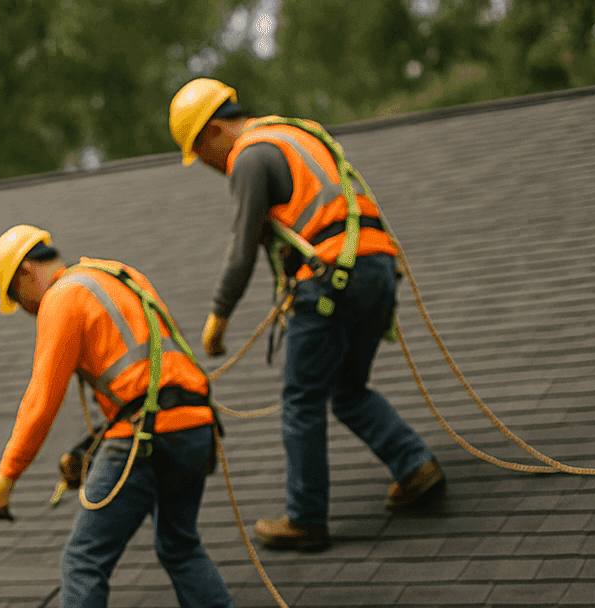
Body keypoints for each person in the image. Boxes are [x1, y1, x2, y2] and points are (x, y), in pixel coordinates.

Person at [0, 225, 256, 608]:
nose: (28, 312)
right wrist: (88, 450)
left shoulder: (61, 297)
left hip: (145, 435)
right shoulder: (118, 275)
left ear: (27, 274)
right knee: (179, 544)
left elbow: (42, 397)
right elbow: (150, 377)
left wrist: (6, 474)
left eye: (20, 299)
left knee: (83, 562)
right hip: (194, 427)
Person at [170, 78, 443, 552]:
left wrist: (218, 316)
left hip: (330, 278)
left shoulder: (249, 155)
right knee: (348, 390)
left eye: (201, 153)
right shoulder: (296, 134)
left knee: (301, 401)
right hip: (377, 270)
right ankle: (415, 467)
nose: (209, 166)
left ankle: (306, 518)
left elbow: (241, 247)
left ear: (213, 131)